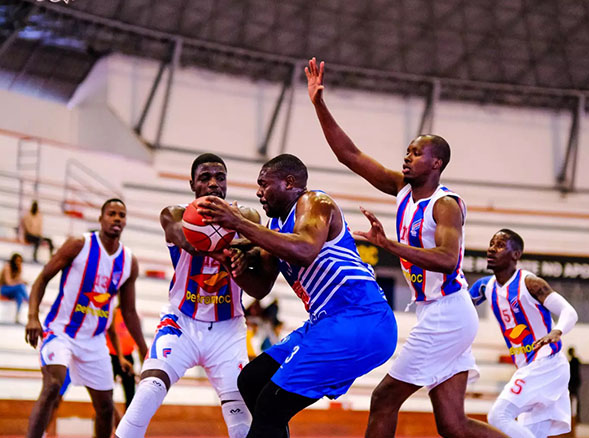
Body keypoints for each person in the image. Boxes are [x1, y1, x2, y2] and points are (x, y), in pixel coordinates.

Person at [305, 57, 503, 438]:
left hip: (448, 313)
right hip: (438, 313)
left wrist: (388, 244)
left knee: (383, 398)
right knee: (454, 426)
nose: (406, 157)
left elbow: (447, 261)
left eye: (415, 153)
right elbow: (350, 155)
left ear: (436, 163)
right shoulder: (401, 190)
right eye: (408, 152)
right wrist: (319, 104)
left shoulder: (445, 205)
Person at [197, 153, 398, 438]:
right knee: (253, 381)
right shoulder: (276, 227)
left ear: (289, 183)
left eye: (263, 184)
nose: (258, 192)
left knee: (271, 404)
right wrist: (236, 267)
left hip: (360, 317)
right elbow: (261, 287)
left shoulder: (314, 202)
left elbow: (304, 249)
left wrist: (240, 224)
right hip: (326, 322)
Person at [115, 153, 264, 438]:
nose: (213, 184)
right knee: (147, 393)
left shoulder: (247, 217)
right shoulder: (173, 213)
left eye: (220, 178)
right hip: (181, 322)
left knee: (241, 424)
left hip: (228, 329)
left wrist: (249, 255)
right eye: (205, 178)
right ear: (192, 184)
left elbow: (260, 253)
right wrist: (232, 245)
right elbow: (184, 238)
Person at [24, 198, 148, 438]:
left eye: (121, 215)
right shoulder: (79, 244)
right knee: (52, 385)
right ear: (101, 219)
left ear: (125, 222)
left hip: (94, 341)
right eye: (111, 213)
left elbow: (129, 312)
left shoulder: (128, 262)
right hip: (60, 331)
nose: (116, 218)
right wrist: (32, 316)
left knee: (105, 407)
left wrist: (144, 350)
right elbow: (42, 278)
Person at [468, 229, 578, 438]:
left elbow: (569, 311)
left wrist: (556, 331)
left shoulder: (530, 283)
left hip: (547, 364)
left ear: (516, 254)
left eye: (499, 245)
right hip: (530, 366)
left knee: (498, 416)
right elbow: (459, 307)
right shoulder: (484, 286)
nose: (491, 249)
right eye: (491, 243)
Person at [105, 306, 138, 424]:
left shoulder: (132, 316)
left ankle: (127, 427)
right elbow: (111, 333)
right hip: (111, 356)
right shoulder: (113, 312)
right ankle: (111, 422)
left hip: (127, 356)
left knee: (131, 396)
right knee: (104, 394)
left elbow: (136, 339)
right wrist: (119, 357)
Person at [1, 253, 29, 323]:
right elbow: (9, 282)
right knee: (21, 286)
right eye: (17, 261)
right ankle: (30, 302)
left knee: (19, 296)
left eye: (20, 261)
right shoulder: (7, 267)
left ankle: (17, 316)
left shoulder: (18, 268)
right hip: (3, 289)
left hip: (12, 290)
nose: (18, 262)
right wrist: (20, 281)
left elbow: (18, 280)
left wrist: (20, 278)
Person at [566, 346, 581, 423]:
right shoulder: (574, 361)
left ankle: (576, 415)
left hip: (573, 382)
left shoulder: (574, 361)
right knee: (572, 398)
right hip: (573, 382)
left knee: (574, 398)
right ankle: (573, 415)